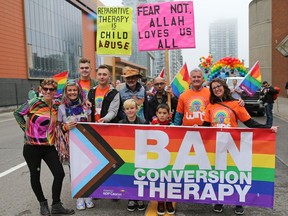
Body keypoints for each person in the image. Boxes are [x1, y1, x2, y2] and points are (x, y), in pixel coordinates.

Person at [202, 78, 278, 215]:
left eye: (219, 86)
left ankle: (238, 201)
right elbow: (205, 128)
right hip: (217, 147)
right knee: (219, 175)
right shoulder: (210, 106)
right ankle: (219, 201)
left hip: (234, 145)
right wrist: (195, 129)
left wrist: (268, 128)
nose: (217, 89)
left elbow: (250, 123)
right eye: (213, 88)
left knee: (235, 174)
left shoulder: (236, 104)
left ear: (224, 87)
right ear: (212, 91)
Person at [13, 78, 74, 216]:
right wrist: (26, 129)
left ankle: (56, 205)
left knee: (59, 174)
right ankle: (43, 203)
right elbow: (17, 113)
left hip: (49, 147)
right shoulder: (34, 103)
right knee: (35, 176)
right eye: (45, 89)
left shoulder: (56, 104)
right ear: (40, 89)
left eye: (51, 89)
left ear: (54, 91)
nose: (47, 91)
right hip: (31, 147)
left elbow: (71, 101)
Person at [57, 80, 94, 211]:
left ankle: (88, 194)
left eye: (74, 90)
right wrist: (65, 127)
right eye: (69, 90)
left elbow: (90, 125)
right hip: (70, 144)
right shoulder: (61, 108)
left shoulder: (86, 106)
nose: (72, 92)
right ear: (66, 92)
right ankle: (79, 196)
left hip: (85, 144)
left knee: (88, 168)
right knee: (74, 170)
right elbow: (58, 127)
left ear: (79, 91)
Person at [118, 99, 146, 212]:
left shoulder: (143, 122)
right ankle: (130, 198)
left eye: (132, 108)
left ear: (137, 109)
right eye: (127, 109)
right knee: (129, 177)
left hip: (139, 153)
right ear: (124, 111)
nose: (130, 111)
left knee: (139, 176)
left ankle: (139, 198)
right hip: (127, 154)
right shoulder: (120, 123)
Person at [151, 103, 175, 215]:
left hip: (169, 158)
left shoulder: (173, 126)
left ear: (169, 114)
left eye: (164, 113)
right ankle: (160, 202)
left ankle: (169, 201)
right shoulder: (151, 125)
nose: (162, 115)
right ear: (156, 114)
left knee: (169, 180)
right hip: (157, 159)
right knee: (159, 181)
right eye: (160, 113)